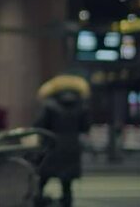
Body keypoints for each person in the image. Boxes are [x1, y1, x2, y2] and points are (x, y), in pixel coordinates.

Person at [34, 74, 91, 207]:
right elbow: (85, 126)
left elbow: (39, 125)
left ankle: (38, 202)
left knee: (42, 179)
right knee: (67, 184)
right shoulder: (82, 105)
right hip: (71, 146)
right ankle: (66, 203)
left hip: (51, 146)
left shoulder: (49, 105)